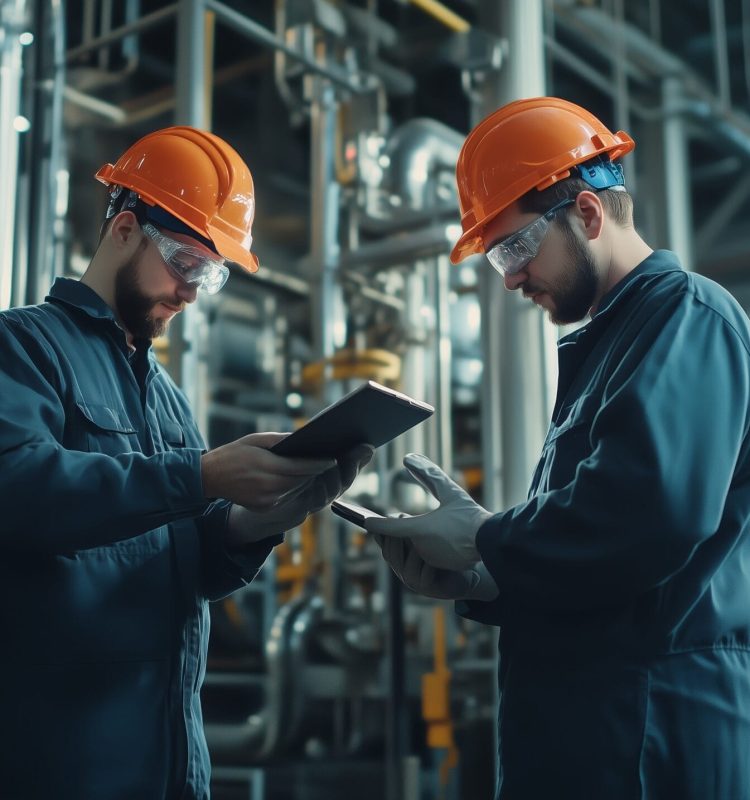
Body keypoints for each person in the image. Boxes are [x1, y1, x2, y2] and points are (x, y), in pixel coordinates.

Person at [365, 97, 750, 799]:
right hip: (595, 729)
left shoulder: (687, 317)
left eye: (513, 248)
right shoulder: (612, 347)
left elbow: (650, 512)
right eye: (495, 260)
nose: (509, 278)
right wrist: (483, 577)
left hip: (652, 730)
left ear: (589, 215)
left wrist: (489, 538)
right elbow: (597, 557)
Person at [0, 126, 372, 800]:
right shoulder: (24, 347)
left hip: (171, 766)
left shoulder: (169, 401)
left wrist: (256, 522)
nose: (193, 292)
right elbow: (18, 490)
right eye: (186, 263)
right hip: (60, 765)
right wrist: (197, 476)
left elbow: (184, 569)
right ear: (123, 228)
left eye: (211, 273)